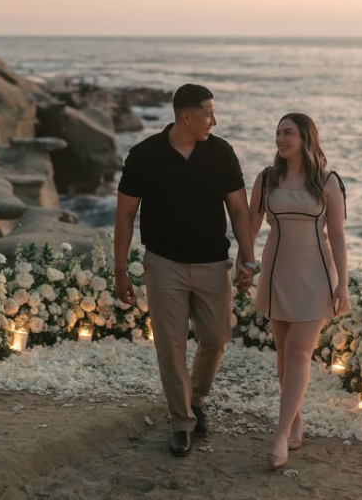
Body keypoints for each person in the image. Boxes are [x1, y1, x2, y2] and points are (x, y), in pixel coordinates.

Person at [113, 84, 258, 458]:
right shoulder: (144, 156)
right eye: (209, 113)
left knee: (216, 338)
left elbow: (239, 211)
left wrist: (247, 256)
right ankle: (181, 421)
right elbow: (125, 215)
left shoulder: (221, 152)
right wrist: (120, 270)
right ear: (186, 117)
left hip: (213, 263)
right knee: (170, 346)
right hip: (163, 265)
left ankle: (195, 398)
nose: (215, 120)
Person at [245, 113, 349, 470]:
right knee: (283, 354)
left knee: (299, 350)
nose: (281, 138)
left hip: (316, 276)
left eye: (288, 132)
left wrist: (343, 285)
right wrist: (244, 264)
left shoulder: (327, 181)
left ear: (306, 137)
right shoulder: (266, 178)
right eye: (277, 132)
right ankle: (296, 421)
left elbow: (336, 236)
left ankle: (279, 435)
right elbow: (250, 227)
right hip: (276, 274)